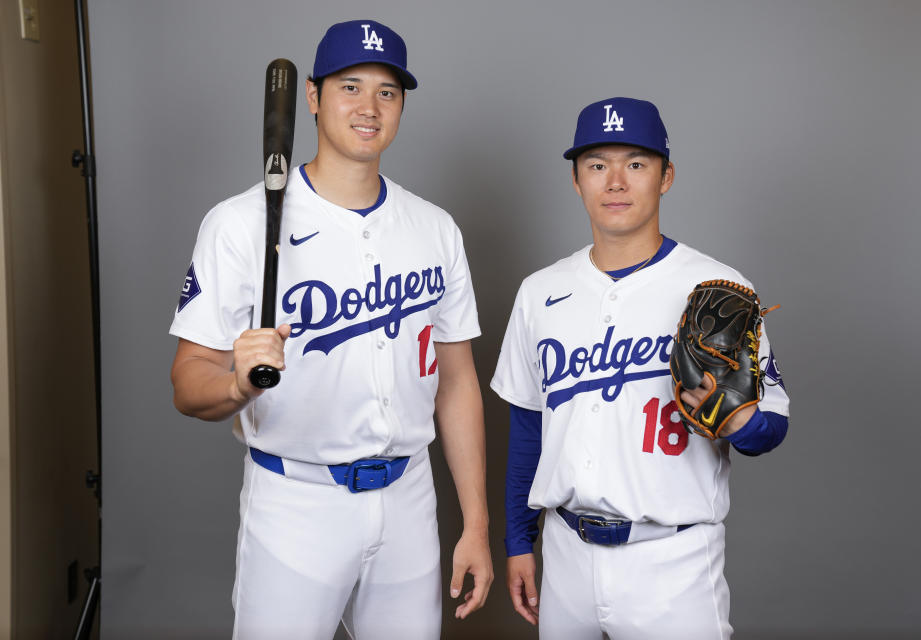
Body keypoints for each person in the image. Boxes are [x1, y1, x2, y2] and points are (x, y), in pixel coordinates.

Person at [169, 19, 492, 639]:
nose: (369, 107)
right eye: (350, 87)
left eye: (387, 92)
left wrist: (474, 523)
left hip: (408, 499)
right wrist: (236, 385)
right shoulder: (238, 224)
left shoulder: (435, 229)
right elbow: (187, 383)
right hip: (297, 500)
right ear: (312, 97)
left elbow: (456, 384)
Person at [491, 97, 789, 639]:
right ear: (576, 181)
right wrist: (518, 542)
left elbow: (773, 428)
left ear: (666, 175)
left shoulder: (718, 289)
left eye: (636, 163)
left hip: (673, 560)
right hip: (565, 554)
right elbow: (528, 429)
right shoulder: (540, 292)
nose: (616, 182)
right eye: (597, 165)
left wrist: (739, 421)